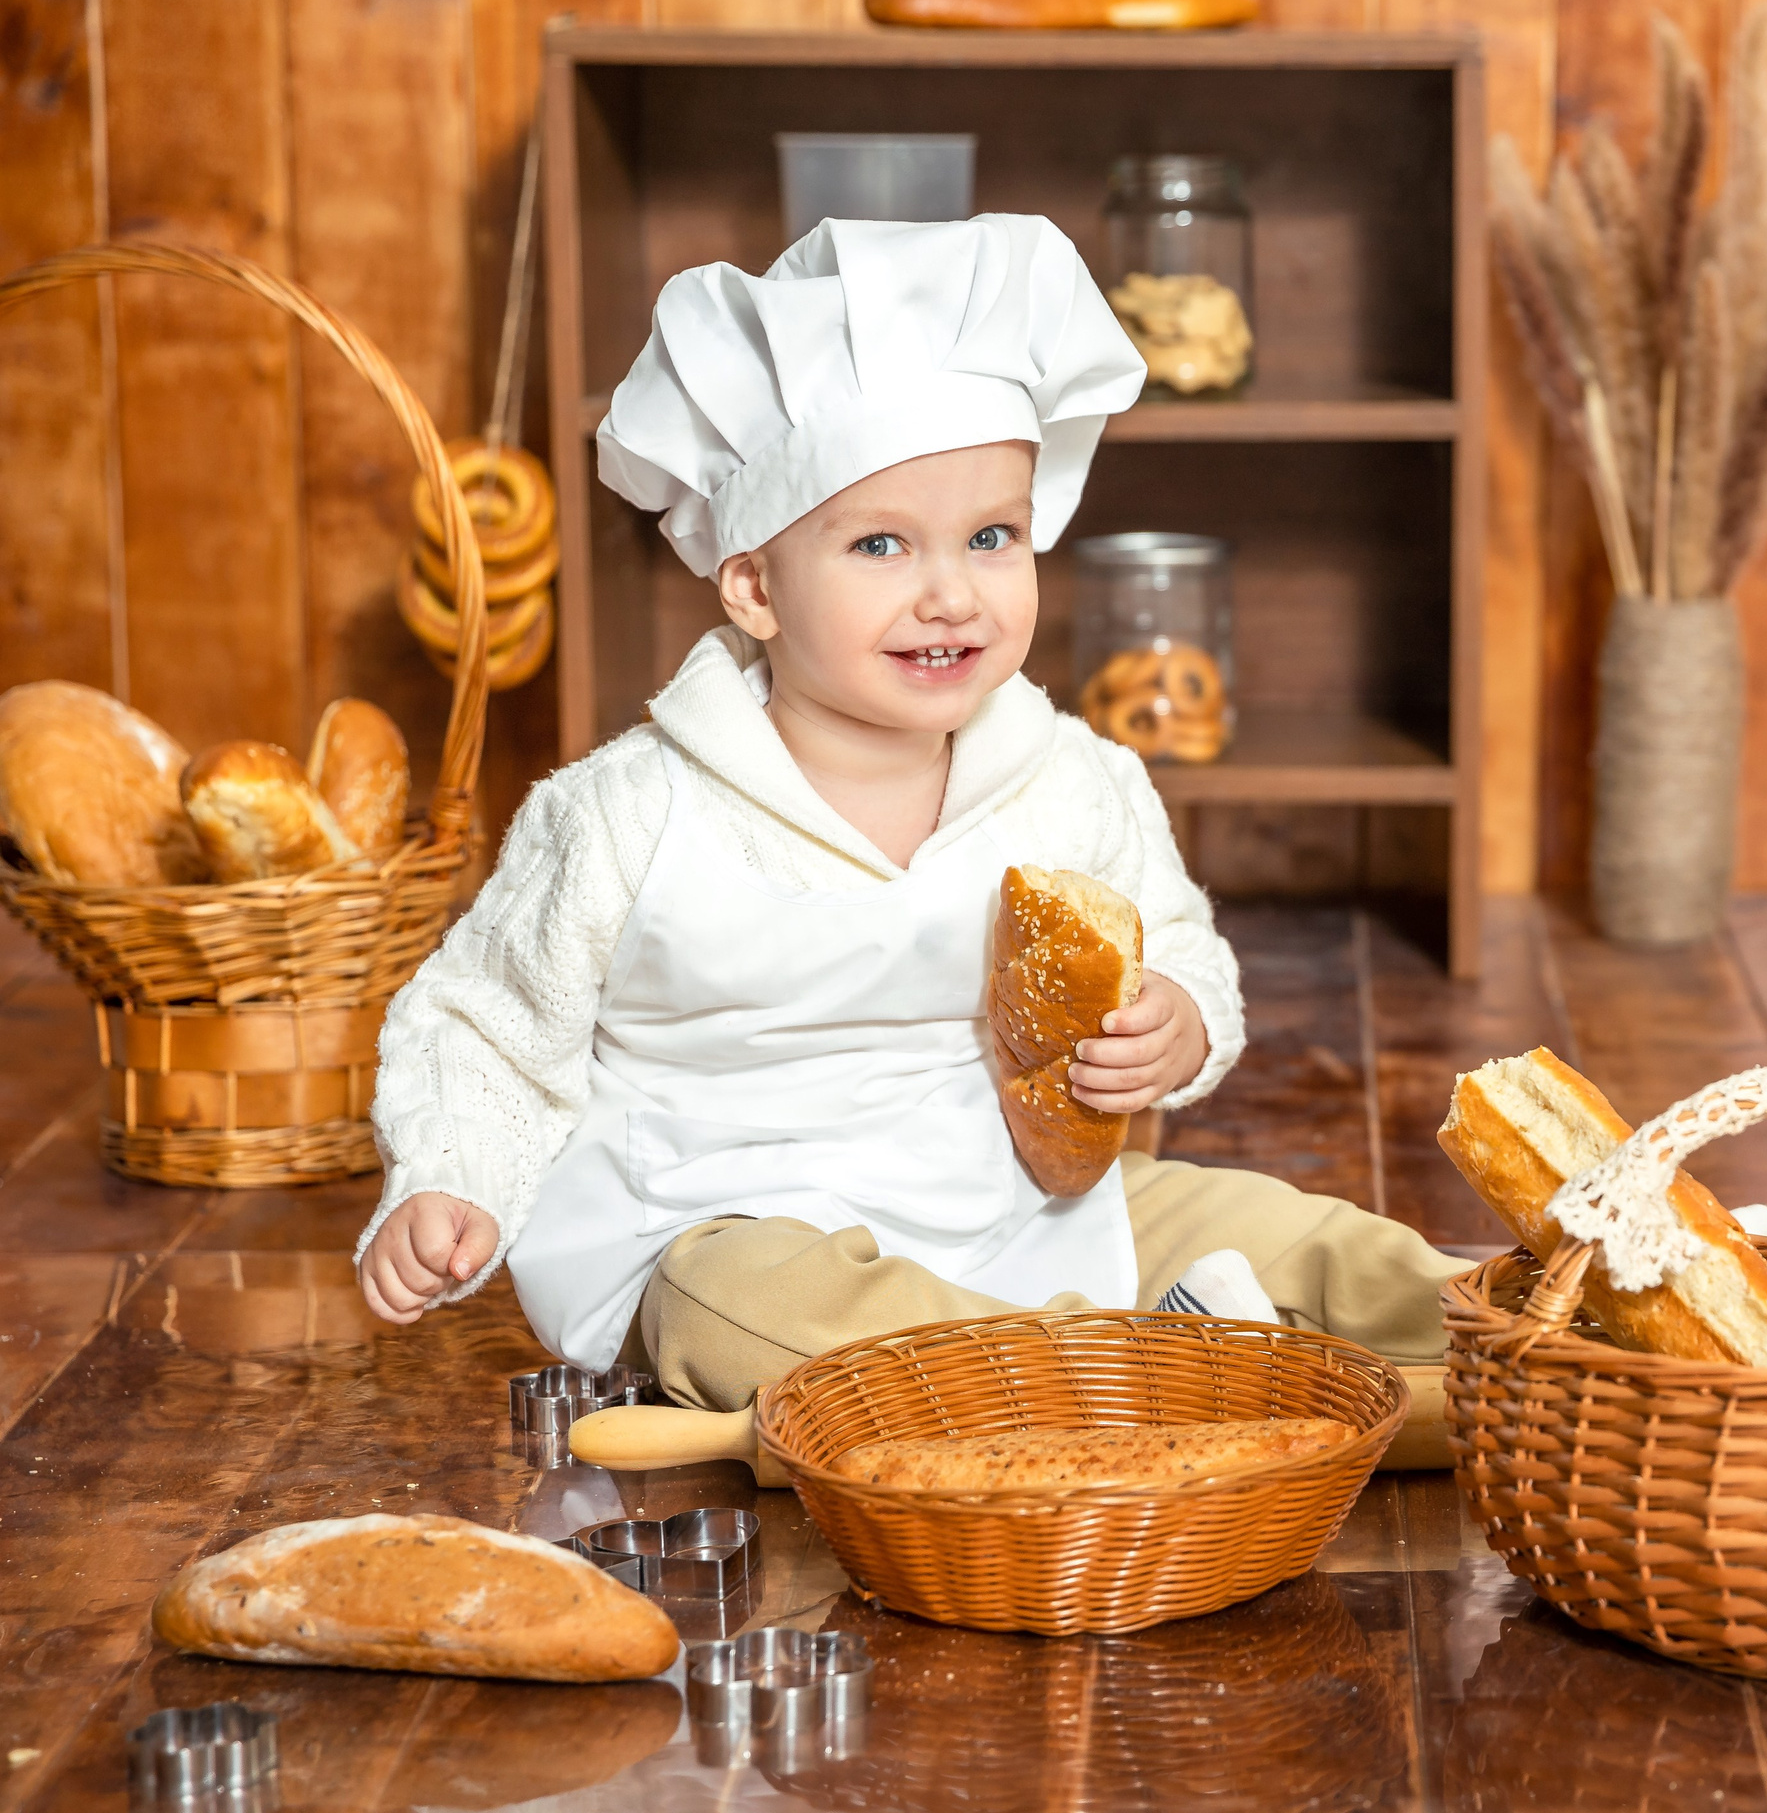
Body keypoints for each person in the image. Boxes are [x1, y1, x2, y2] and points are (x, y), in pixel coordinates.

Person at [353, 214, 1466, 1413]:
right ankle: (1177, 1382)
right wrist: (449, 1179)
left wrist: (1178, 1023)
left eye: (992, 536)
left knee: (1287, 1233)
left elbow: (1179, 945)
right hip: (728, 1232)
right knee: (751, 1316)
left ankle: (1519, 1342)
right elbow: (488, 1025)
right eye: (880, 543)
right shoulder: (625, 814)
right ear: (754, 585)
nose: (951, 591)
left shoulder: (1070, 781)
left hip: (1020, 1214)